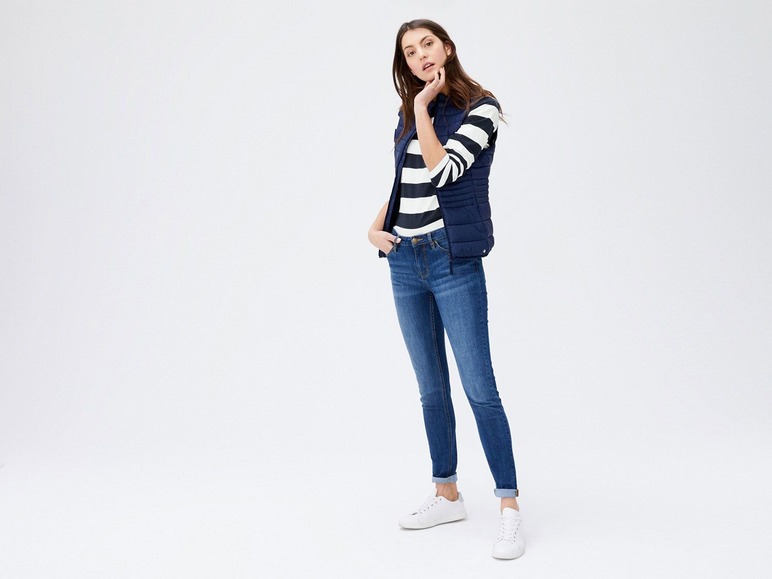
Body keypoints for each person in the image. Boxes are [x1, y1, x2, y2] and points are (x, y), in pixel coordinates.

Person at [367, 19, 525, 560]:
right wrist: (375, 227)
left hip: (451, 259)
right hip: (404, 261)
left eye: (427, 44)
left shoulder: (481, 108)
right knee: (431, 389)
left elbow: (443, 172)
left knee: (480, 388)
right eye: (410, 52)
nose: (420, 56)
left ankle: (509, 507)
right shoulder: (409, 114)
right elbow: (406, 183)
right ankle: (447, 493)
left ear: (447, 48)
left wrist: (421, 110)